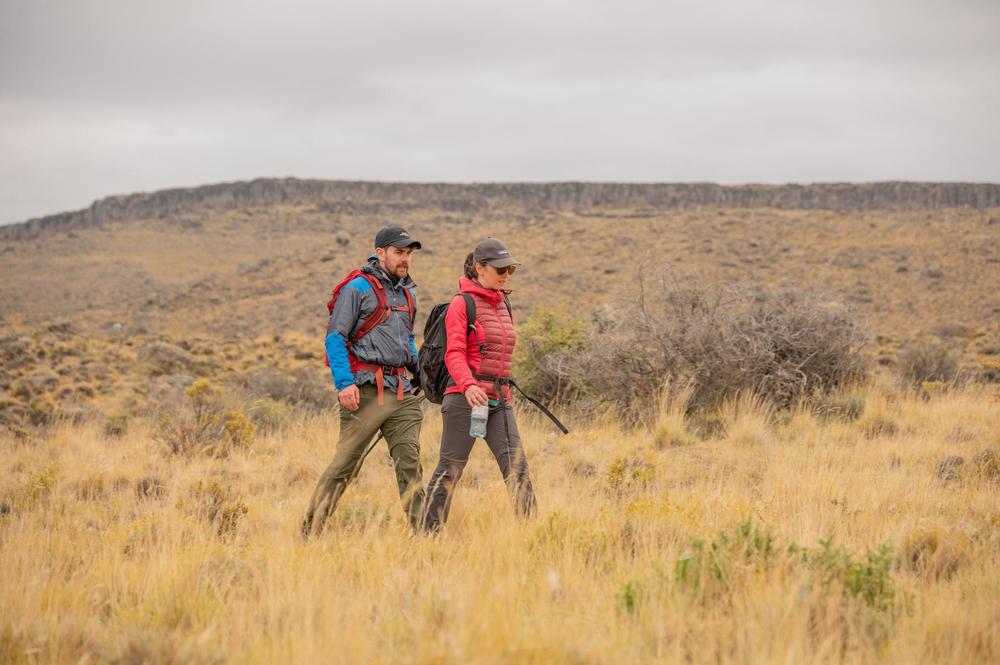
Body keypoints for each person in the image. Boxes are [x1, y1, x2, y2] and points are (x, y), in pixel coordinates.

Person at [301, 225, 425, 537]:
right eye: (399, 252)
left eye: (409, 253)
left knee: (410, 462)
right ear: (380, 252)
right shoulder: (356, 289)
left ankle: (424, 535)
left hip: (401, 393)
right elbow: (335, 337)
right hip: (365, 391)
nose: (405, 258)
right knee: (345, 465)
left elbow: (407, 341)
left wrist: (421, 372)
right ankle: (310, 531)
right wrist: (344, 384)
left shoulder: (408, 294)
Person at [422, 237, 537, 532]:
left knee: (517, 467)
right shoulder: (462, 304)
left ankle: (532, 535)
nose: (506, 275)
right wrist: (468, 385)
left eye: (510, 269)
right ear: (479, 268)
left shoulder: (504, 305)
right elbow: (454, 353)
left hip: (499, 401)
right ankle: (427, 536)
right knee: (450, 469)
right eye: (500, 269)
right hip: (465, 400)